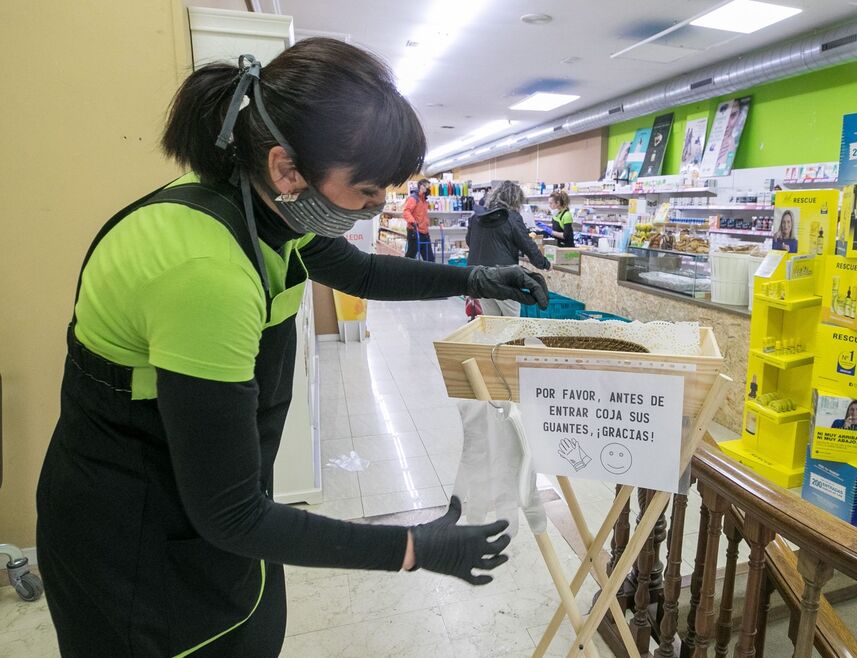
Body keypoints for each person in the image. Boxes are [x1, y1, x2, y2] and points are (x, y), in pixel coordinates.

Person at [35, 39, 549, 658]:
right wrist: (411, 547)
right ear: (287, 168)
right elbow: (230, 515)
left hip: (205, 501)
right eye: (365, 191)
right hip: (132, 533)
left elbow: (363, 273)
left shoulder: (265, 208)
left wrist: (473, 277)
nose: (377, 206)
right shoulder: (206, 272)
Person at [467, 180, 551, 316]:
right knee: (512, 322)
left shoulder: (478, 216)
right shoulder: (512, 218)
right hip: (503, 277)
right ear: (516, 200)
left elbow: (469, 241)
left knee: (491, 322)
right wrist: (545, 264)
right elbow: (528, 246)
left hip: (479, 276)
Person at [403, 178, 434, 261]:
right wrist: (413, 222)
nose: (429, 189)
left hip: (425, 233)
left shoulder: (424, 200)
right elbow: (406, 211)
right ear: (421, 186)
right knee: (410, 258)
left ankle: (430, 274)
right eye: (427, 187)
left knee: (430, 259)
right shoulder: (413, 198)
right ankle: (404, 272)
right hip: (415, 232)